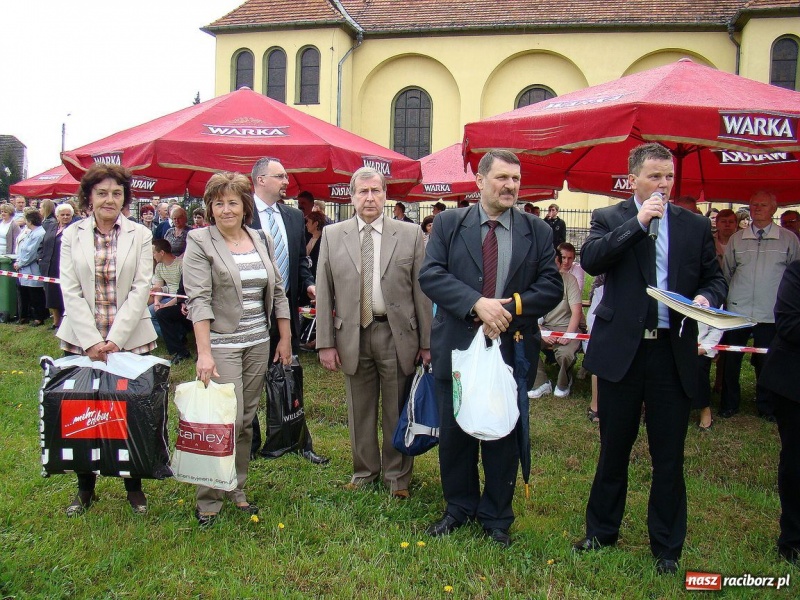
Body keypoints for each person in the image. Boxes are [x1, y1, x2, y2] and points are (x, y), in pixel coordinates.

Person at [571, 142, 726, 574]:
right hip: (623, 350)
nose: (663, 184)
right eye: (654, 176)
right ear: (633, 179)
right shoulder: (610, 218)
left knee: (669, 455)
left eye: (669, 176)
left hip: (670, 352)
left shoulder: (694, 225)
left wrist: (704, 298)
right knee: (613, 449)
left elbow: (715, 279)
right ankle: (601, 532)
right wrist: (639, 223)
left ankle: (667, 547)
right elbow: (594, 259)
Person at [418, 149, 562, 547]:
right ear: (480, 181)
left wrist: (505, 310)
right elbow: (431, 275)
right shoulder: (449, 224)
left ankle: (497, 516)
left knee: (503, 433)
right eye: (502, 178)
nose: (510, 185)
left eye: (515, 179)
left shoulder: (537, 230)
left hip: (510, 346)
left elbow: (550, 286)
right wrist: (475, 304)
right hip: (457, 344)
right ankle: (458, 507)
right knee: (455, 432)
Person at [183, 171, 293, 527]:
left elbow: (277, 290)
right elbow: (199, 300)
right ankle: (208, 498)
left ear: (245, 206)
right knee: (222, 421)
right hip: (222, 346)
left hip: (258, 343)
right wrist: (204, 353)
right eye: (218, 203)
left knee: (245, 421)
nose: (226, 209)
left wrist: (285, 337)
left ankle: (236, 487)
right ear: (210, 208)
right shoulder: (200, 240)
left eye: (232, 202)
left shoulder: (260, 238)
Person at [316, 167, 432, 499]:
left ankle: (397, 478)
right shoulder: (332, 235)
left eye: (376, 191)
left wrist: (427, 343)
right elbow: (324, 291)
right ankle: (365, 471)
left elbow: (422, 292)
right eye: (363, 191)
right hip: (351, 336)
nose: (370, 198)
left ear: (385, 195)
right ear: (351, 196)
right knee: (360, 409)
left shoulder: (410, 234)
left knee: (397, 408)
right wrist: (325, 343)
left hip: (397, 335)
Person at [56, 163, 158, 517]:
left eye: (116, 193)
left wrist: (115, 340)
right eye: (102, 193)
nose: (109, 200)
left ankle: (134, 487)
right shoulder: (72, 235)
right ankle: (85, 488)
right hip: (81, 340)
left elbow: (141, 287)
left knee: (130, 413)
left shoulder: (140, 234)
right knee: (82, 413)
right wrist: (91, 341)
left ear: (125, 198)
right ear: (89, 197)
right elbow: (70, 289)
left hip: (129, 339)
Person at [248, 157, 326, 464]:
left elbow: (300, 262)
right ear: (260, 180)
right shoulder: (241, 213)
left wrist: (309, 284)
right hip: (250, 314)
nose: (286, 182)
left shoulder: (294, 217)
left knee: (289, 376)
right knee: (249, 381)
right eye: (280, 176)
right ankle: (249, 443)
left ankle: (293, 439)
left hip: (286, 314)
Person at [720, 191, 799, 421]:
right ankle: (729, 403)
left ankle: (766, 406)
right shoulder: (737, 239)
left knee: (767, 361)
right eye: (754, 204)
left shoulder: (788, 239)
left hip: (770, 310)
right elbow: (727, 272)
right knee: (731, 360)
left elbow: (794, 276)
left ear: (774, 209)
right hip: (738, 310)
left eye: (763, 205)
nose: (757, 208)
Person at [760, 260, 800, 564]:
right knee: (796, 463)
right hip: (794, 385)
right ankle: (793, 540)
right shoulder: (796, 272)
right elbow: (788, 324)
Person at [528, 251, 583, 399]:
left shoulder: (569, 280)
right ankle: (541, 382)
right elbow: (531, 313)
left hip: (567, 327)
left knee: (565, 354)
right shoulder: (535, 282)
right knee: (526, 343)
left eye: (553, 263)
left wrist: (568, 335)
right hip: (543, 327)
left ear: (559, 265)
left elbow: (577, 312)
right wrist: (541, 332)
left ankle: (564, 382)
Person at [39, 203, 74, 328]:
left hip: (65, 267)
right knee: (51, 295)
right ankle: (56, 321)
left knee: (63, 295)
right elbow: (43, 243)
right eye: (62, 215)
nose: (65, 217)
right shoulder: (51, 227)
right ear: (57, 216)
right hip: (48, 266)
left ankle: (66, 322)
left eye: (68, 215)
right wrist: (40, 257)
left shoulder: (74, 229)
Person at [13, 209, 47, 326]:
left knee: (35, 294)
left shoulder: (39, 234)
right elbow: (22, 249)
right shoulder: (30, 232)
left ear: (30, 221)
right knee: (26, 293)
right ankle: (26, 316)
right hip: (25, 269)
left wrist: (20, 263)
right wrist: (18, 260)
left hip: (33, 269)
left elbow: (31, 253)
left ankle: (39, 317)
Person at [149, 239, 182, 339]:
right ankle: (175, 335)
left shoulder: (180, 264)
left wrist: (165, 306)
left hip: (180, 299)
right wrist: (157, 303)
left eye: (154, 253)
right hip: (168, 297)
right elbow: (158, 289)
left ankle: (176, 336)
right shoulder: (159, 267)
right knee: (149, 313)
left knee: (153, 313)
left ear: (162, 253)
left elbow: (182, 292)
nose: (153, 256)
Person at [304, 211, 327, 279]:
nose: (306, 224)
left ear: (316, 224)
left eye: (309, 222)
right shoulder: (307, 238)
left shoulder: (323, 241)